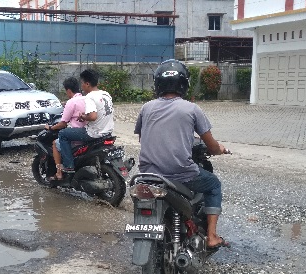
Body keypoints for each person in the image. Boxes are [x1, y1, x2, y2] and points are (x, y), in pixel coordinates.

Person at [134, 59, 230, 250]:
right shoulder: (192, 109)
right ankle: (211, 236)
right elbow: (211, 146)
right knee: (213, 184)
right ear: (184, 84)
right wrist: (220, 149)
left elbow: (143, 138)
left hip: (148, 175)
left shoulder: (146, 108)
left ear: (158, 84)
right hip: (181, 174)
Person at [58, 69, 114, 175]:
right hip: (108, 132)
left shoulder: (90, 97)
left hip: (93, 133)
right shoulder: (106, 94)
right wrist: (85, 117)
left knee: (62, 134)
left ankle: (69, 166)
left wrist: (83, 116)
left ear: (87, 84)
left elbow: (93, 116)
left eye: (82, 83)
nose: (81, 86)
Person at [44, 77, 87, 180]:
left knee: (55, 143)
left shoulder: (72, 102)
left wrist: (51, 127)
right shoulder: (86, 99)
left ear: (68, 90)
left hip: (76, 137)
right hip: (88, 133)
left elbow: (63, 123)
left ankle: (59, 172)